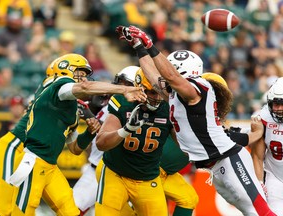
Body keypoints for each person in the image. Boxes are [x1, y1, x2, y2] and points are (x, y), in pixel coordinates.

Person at [118, 25, 276, 215]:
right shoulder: (175, 94)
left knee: (261, 212)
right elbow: (154, 78)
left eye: (173, 70)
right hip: (214, 167)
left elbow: (171, 77)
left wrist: (151, 45)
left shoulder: (199, 87)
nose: (166, 77)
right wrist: (139, 47)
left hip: (228, 160)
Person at [8, 53, 146, 215]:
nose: (84, 79)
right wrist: (124, 89)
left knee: (72, 212)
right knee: (22, 212)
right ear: (64, 69)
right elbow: (84, 88)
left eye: (86, 76)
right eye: (80, 74)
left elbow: (74, 148)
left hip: (51, 167)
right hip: (33, 162)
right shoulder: (58, 85)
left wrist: (89, 132)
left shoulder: (71, 107)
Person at [95, 67, 174, 216]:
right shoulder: (123, 102)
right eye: (151, 91)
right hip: (116, 174)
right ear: (139, 88)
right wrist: (126, 129)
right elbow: (101, 143)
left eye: (159, 92)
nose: (157, 97)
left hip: (147, 177)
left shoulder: (170, 108)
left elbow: (183, 144)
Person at [0, 58, 60, 216]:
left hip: (30, 158)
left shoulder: (47, 96)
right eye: (15, 106)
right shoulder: (47, 94)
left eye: (19, 105)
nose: (17, 109)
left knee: (22, 201)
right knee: (5, 203)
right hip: (14, 152)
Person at [73, 65, 139, 216]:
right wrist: (91, 109)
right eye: (120, 81)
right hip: (95, 168)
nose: (120, 86)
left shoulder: (135, 110)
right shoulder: (109, 101)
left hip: (121, 174)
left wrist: (91, 114)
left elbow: (113, 134)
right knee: (71, 209)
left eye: (126, 84)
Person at [251, 77, 283, 215]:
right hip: (275, 178)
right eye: (276, 104)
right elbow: (258, 156)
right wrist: (259, 182)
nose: (279, 109)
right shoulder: (263, 118)